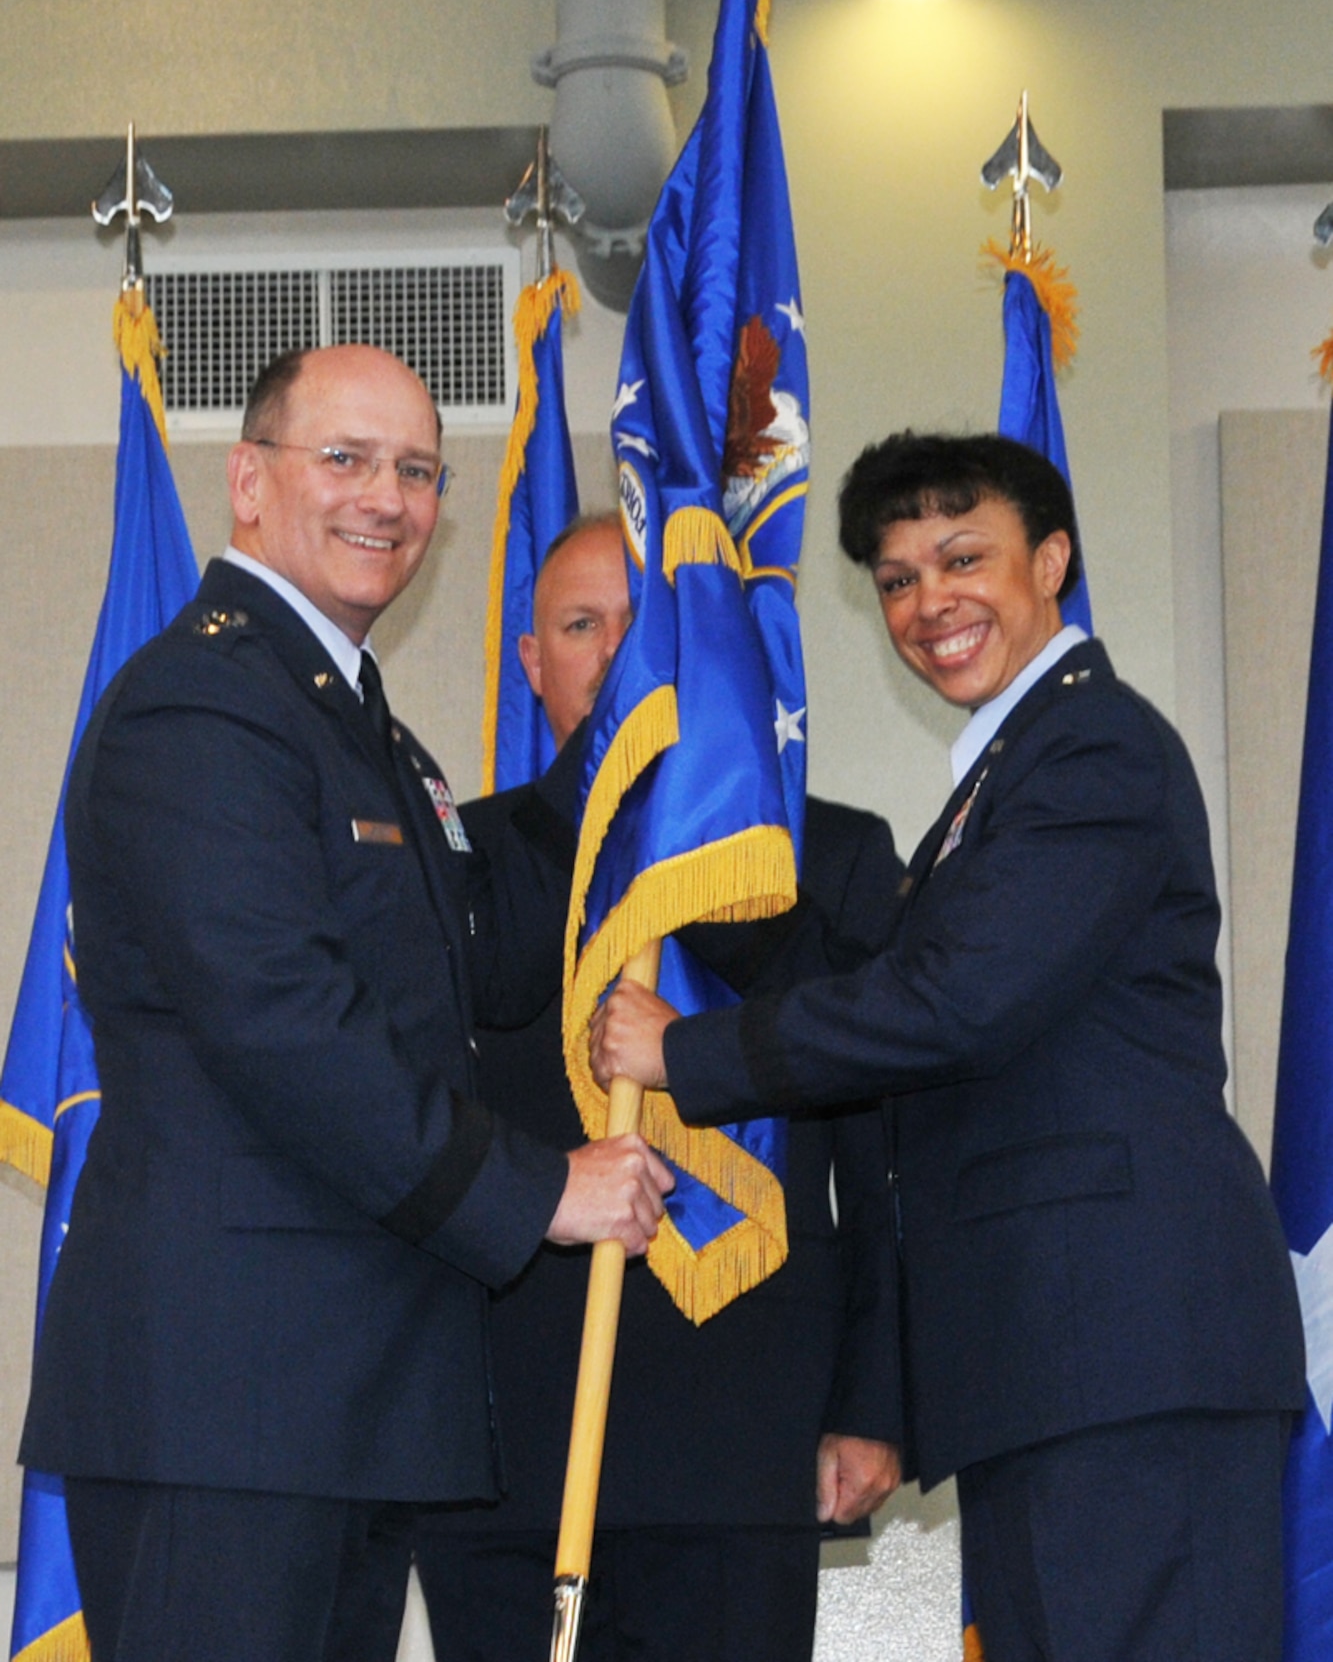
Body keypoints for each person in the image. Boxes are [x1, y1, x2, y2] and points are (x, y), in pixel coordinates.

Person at [593, 433, 1306, 1662]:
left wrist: (689, 1053)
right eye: (897, 577)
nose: (930, 603)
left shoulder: (1092, 749)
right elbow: (895, 991)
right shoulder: (1003, 778)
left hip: (1125, 1355)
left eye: (962, 557)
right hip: (1058, 1359)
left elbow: (953, 1001)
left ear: (1052, 558)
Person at [20, 345, 671, 1662]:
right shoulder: (203, 703)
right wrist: (539, 1191)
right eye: (348, 459)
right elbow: (285, 1023)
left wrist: (650, 757)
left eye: (419, 469)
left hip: (335, 1407)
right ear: (249, 482)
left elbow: (480, 959)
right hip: (229, 1408)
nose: (389, 496)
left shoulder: (354, 722)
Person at [356, 513, 902, 1662]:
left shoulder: (824, 857)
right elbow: (390, 1123)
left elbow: (884, 1162)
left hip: (743, 1435)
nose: (615, 660)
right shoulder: (458, 862)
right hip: (503, 1443)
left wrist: (872, 1400)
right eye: (578, 625)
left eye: (642, 630)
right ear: (532, 661)